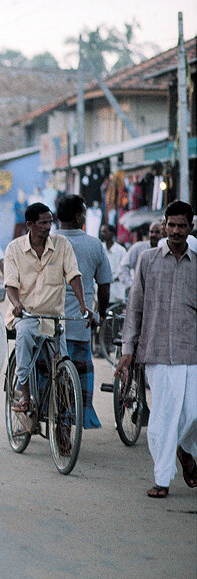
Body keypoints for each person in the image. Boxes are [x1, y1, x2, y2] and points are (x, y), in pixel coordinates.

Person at [116, 201, 197, 498]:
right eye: (171, 225)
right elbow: (134, 307)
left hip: (192, 351)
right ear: (164, 226)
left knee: (194, 413)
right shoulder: (148, 260)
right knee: (163, 416)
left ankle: (184, 449)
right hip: (157, 350)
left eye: (182, 226)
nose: (176, 231)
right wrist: (128, 348)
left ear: (191, 227)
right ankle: (162, 478)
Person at [4, 202, 91, 414]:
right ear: (30, 225)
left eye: (50, 222)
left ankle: (60, 408)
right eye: (43, 223)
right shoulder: (14, 249)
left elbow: (73, 275)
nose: (48, 227)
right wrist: (16, 305)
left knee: (62, 362)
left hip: (54, 318)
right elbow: (10, 284)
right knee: (24, 337)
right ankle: (24, 393)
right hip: (26, 315)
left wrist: (83, 305)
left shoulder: (62, 245)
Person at [55, 195, 112, 429]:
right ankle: (81, 413)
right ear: (79, 217)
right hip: (82, 319)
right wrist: (100, 313)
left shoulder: (49, 242)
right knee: (79, 368)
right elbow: (105, 284)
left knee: (47, 367)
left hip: (51, 319)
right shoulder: (94, 244)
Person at [119, 221, 163, 289]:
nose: (153, 235)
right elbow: (123, 266)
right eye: (151, 232)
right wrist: (131, 286)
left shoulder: (166, 251)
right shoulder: (138, 247)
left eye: (157, 232)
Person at [99, 223, 127, 303]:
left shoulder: (121, 250)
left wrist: (111, 277)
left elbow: (123, 269)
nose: (102, 234)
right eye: (101, 232)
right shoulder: (100, 248)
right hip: (102, 292)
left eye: (104, 232)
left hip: (116, 293)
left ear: (112, 233)